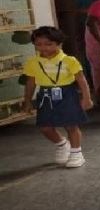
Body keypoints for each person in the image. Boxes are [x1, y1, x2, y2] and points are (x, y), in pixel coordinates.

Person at [22, 26, 93, 168]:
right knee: (45, 127)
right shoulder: (33, 62)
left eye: (48, 44)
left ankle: (76, 153)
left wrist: (87, 98)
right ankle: (62, 144)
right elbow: (30, 83)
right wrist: (27, 100)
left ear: (59, 44)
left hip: (67, 94)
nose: (43, 48)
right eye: (38, 44)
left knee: (71, 125)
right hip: (45, 95)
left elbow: (81, 80)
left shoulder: (69, 60)